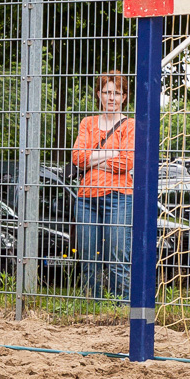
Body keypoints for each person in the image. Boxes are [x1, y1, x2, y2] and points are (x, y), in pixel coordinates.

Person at [70, 70, 134, 301]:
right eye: (107, 92)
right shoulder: (87, 123)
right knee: (89, 258)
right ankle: (91, 306)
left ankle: (119, 308)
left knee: (118, 257)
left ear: (124, 97)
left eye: (117, 93)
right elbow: (77, 157)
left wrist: (95, 157)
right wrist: (112, 153)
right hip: (87, 197)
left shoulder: (130, 126)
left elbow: (126, 161)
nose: (111, 98)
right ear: (98, 94)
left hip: (120, 197)